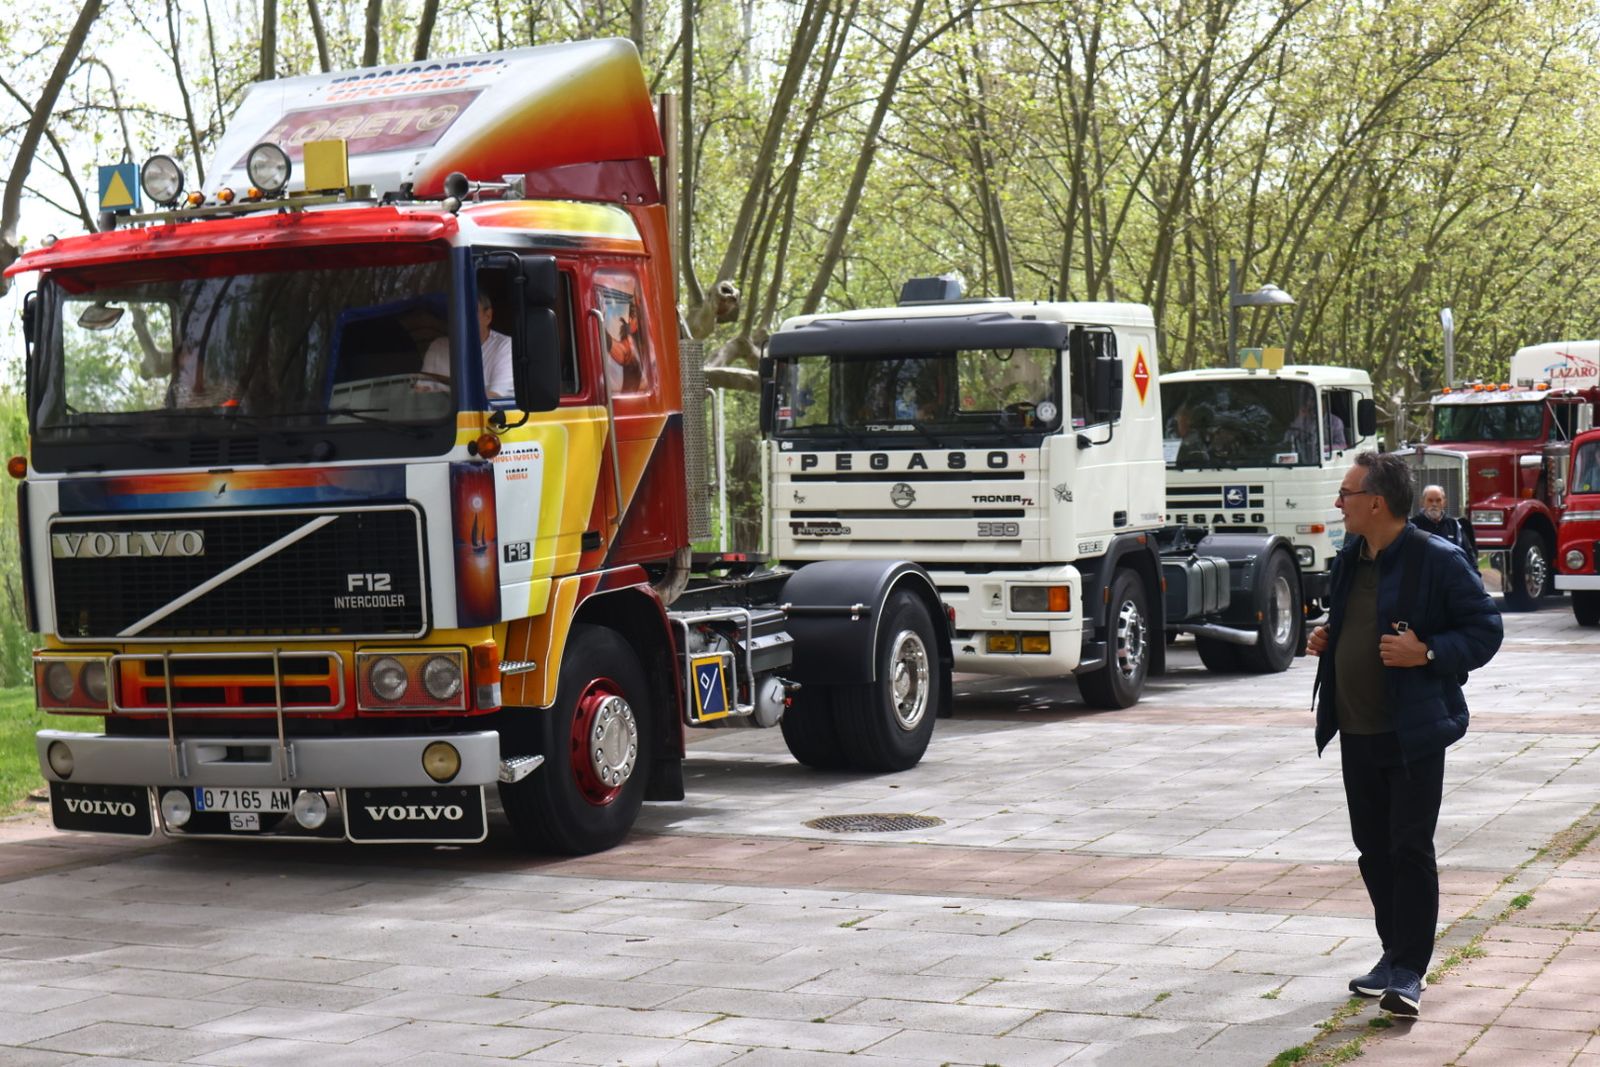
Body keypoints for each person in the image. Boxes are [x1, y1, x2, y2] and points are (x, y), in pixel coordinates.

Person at [1307, 452, 1502, 1018]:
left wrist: (1430, 652)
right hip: (1356, 729)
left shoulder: (1437, 559)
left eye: (1345, 494)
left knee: (1409, 849)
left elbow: (1485, 629)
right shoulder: (1351, 557)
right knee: (1373, 850)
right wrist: (1327, 635)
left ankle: (1409, 971)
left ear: (1376, 502)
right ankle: (1392, 954)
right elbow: (1349, 619)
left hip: (1412, 732)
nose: (1338, 503)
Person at [420, 291, 514, 398]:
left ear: (488, 316)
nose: (461, 319)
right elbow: (421, 394)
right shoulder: (438, 346)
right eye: (456, 312)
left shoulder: (505, 347)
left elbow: (496, 397)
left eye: (468, 312)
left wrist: (443, 397)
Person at [1413, 484, 1477, 566]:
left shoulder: (1454, 526)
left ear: (1444, 503)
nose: (1434, 504)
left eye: (1438, 500)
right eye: (1430, 500)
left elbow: (1469, 556)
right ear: (1422, 502)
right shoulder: (1413, 527)